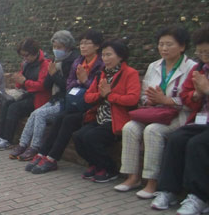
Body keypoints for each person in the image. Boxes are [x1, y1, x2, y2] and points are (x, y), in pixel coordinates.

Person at [116, 26, 196, 197]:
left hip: (178, 115)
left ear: (182, 46)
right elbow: (145, 93)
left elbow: (194, 100)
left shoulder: (192, 68)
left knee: (153, 131)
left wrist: (168, 101)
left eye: (169, 44)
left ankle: (152, 181)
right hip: (154, 112)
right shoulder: (154, 66)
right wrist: (150, 100)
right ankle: (132, 177)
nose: (164, 49)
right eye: (161, 44)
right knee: (129, 127)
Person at [151, 26, 209, 215]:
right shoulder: (200, 68)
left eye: (207, 52)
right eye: (200, 52)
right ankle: (168, 190)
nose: (203, 56)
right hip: (200, 120)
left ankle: (199, 196)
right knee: (177, 138)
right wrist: (197, 93)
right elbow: (186, 94)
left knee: (197, 144)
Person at [27, 30, 104, 174]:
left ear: (97, 46)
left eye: (87, 43)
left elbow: (98, 87)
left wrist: (85, 82)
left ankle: (52, 158)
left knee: (68, 120)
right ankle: (43, 153)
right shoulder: (78, 61)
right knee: (61, 117)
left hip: (91, 106)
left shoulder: (100, 64)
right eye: (81, 43)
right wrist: (80, 83)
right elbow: (69, 84)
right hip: (75, 102)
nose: (83, 46)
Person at [72, 38, 141, 182]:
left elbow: (133, 99)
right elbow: (88, 97)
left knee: (91, 137)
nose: (105, 59)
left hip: (117, 119)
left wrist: (110, 95)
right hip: (99, 117)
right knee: (78, 136)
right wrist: (101, 95)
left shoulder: (130, 73)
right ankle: (96, 164)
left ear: (120, 56)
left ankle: (110, 169)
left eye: (109, 55)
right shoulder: (101, 74)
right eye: (103, 55)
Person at [9, 31, 78, 161]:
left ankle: (35, 147)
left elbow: (67, 87)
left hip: (65, 100)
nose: (56, 50)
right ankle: (23, 144)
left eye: (59, 47)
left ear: (68, 47)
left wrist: (54, 74)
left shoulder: (73, 61)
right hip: (55, 98)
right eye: (54, 47)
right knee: (35, 113)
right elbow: (47, 84)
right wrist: (50, 75)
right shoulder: (55, 60)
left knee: (40, 114)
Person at [0, 38, 50, 151]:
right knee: (7, 102)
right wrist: (18, 82)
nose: (25, 58)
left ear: (35, 52)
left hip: (37, 98)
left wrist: (25, 82)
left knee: (14, 108)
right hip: (25, 94)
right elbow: (21, 81)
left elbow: (43, 85)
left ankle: (7, 139)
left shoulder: (45, 64)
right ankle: (1, 136)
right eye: (22, 56)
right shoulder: (26, 64)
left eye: (27, 55)